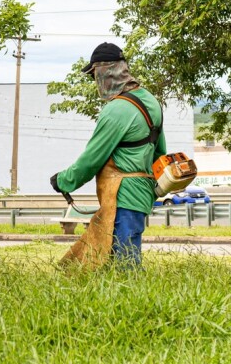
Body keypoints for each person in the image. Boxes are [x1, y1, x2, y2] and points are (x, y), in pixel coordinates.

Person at [51, 43, 166, 268]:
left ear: (105, 72)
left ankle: (134, 301)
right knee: (122, 257)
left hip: (122, 194)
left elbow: (92, 158)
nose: (94, 81)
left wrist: (64, 181)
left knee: (124, 264)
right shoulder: (151, 101)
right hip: (143, 191)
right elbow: (159, 151)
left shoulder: (116, 110)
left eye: (94, 74)